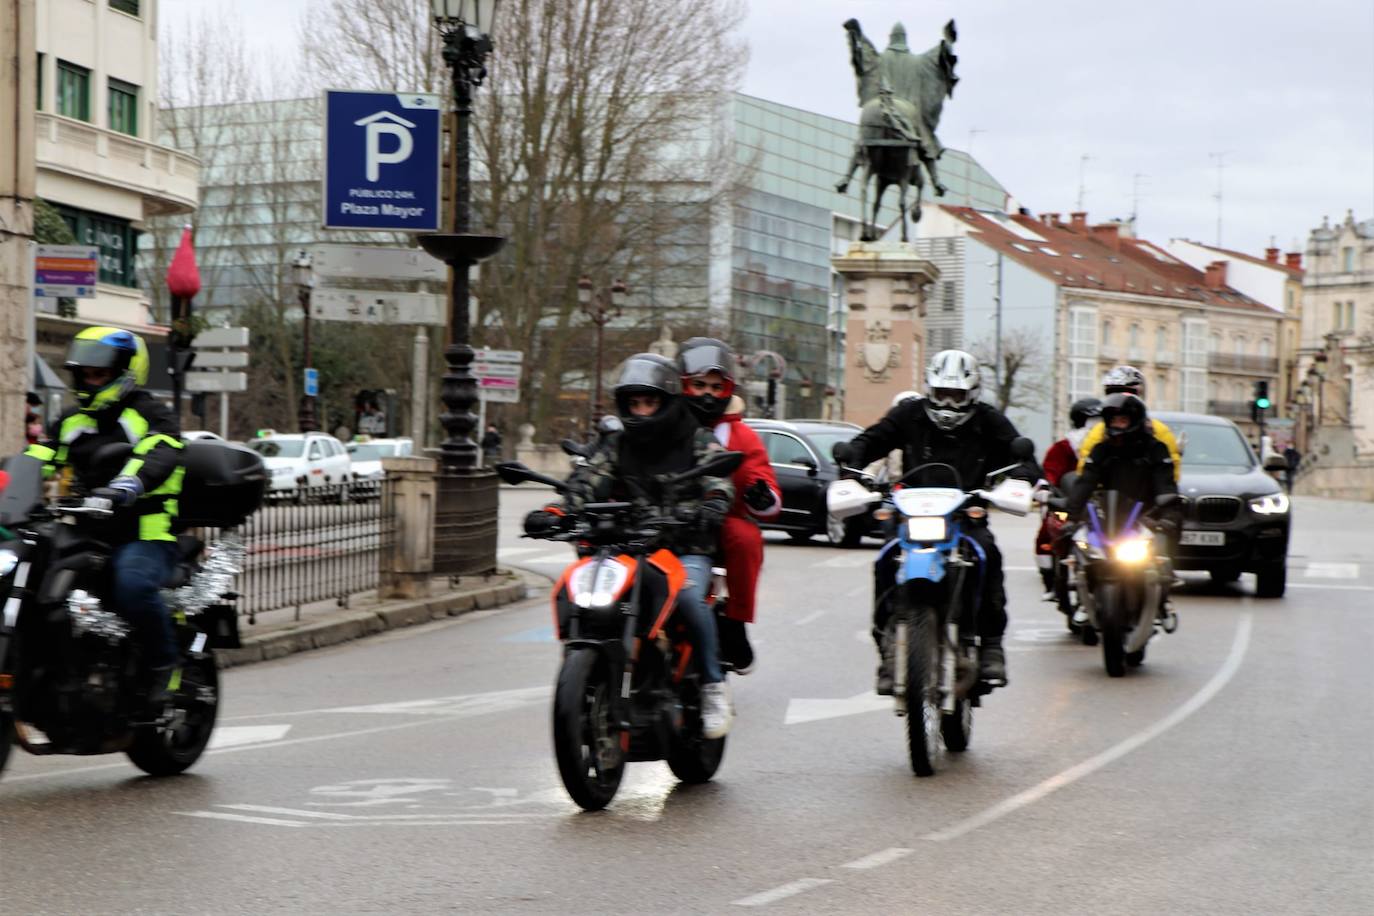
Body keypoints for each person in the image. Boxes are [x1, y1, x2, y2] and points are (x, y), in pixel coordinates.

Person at [523, 354, 737, 738]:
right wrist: (554, 511)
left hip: (684, 545)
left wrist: (713, 503)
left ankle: (711, 685)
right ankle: (591, 668)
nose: (640, 411)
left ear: (667, 401)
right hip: (631, 544)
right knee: (585, 589)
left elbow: (718, 477)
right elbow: (587, 479)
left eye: (649, 402)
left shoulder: (696, 436)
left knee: (687, 598)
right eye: (633, 403)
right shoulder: (618, 442)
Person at [832, 349, 1039, 694]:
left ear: (971, 393)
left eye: (956, 395)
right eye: (941, 393)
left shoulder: (988, 420)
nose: (947, 402)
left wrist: (1022, 474)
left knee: (988, 554)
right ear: (929, 389)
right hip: (912, 513)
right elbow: (874, 439)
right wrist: (853, 460)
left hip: (965, 514)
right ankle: (887, 648)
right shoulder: (909, 414)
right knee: (886, 559)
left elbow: (1024, 457)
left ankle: (990, 644)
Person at [23, 327, 187, 708]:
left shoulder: (151, 415)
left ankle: (165, 665)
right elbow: (42, 459)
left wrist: (124, 487)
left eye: (99, 374)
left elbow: (158, 454)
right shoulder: (69, 421)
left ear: (125, 372)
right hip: (86, 531)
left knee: (130, 584)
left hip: (145, 534)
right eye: (85, 375)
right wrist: (7, 479)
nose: (90, 382)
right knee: (31, 574)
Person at [677, 337, 781, 675]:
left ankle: (735, 621)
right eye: (699, 385)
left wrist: (760, 494)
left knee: (746, 537)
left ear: (727, 389)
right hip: (662, 520)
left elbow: (758, 475)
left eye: (715, 386)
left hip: (718, 522)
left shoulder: (743, 437)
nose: (707, 393)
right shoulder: (662, 423)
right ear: (682, 384)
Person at [1063, 394, 1179, 616]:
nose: (1116, 425)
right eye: (1112, 420)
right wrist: (1070, 515)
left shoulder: (1155, 449)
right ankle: (1082, 595)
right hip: (1109, 514)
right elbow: (1085, 481)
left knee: (1161, 549)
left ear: (1135, 421)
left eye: (1122, 420)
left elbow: (1165, 484)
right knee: (1080, 545)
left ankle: (1163, 599)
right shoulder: (1102, 449)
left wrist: (1168, 513)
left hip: (1145, 515)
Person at [1035, 397, 1101, 595]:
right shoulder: (1063, 447)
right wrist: (1046, 489)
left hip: (1101, 504)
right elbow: (1050, 471)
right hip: (1069, 503)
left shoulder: (1109, 445)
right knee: (1047, 532)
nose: (1097, 426)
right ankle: (1050, 579)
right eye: (1094, 420)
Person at [1077, 366, 1181, 481]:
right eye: (1113, 394)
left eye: (1127, 394)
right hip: (1107, 495)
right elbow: (1084, 470)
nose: (1119, 401)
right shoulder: (1098, 431)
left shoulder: (1160, 431)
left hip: (1145, 494)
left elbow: (1171, 472)